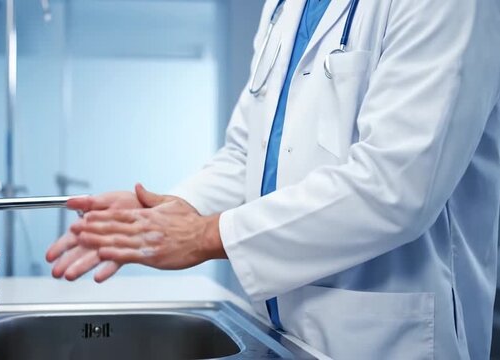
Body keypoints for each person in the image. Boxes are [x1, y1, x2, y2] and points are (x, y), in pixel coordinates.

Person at [46, 0, 500, 358]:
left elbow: (397, 185)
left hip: (387, 338)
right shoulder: (285, 7)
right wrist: (179, 209)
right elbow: (248, 154)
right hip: (282, 330)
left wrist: (206, 234)